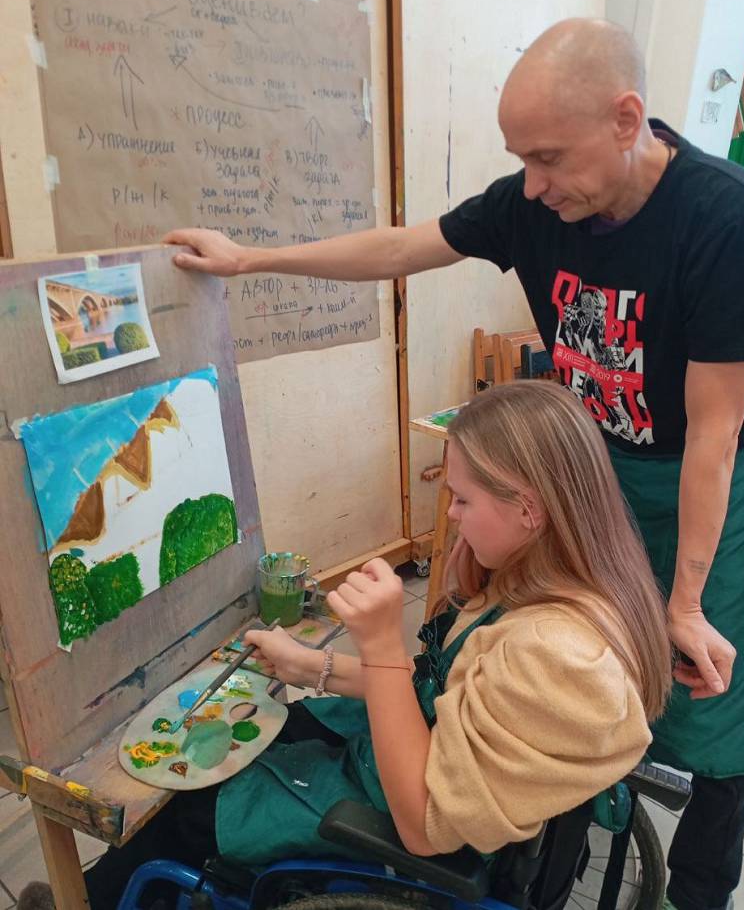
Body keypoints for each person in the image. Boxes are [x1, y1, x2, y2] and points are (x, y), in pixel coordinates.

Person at [160, 18, 744, 910]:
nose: (531, 185)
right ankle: (542, 818)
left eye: (547, 158)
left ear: (625, 119)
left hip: (700, 476)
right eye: (519, 160)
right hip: (591, 464)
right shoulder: (538, 201)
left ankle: (696, 893)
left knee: (707, 700)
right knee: (538, 647)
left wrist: (682, 600)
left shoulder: (726, 219)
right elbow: (400, 248)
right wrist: (249, 259)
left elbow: (714, 435)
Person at [20, 382, 671, 910]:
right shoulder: (557, 578)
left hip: (423, 820)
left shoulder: (552, 652)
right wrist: (315, 665)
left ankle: (97, 898)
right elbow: (440, 690)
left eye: (463, 499)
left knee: (192, 807)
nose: (450, 514)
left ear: (529, 508)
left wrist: (380, 642)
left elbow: (422, 822)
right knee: (282, 727)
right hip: (436, 758)